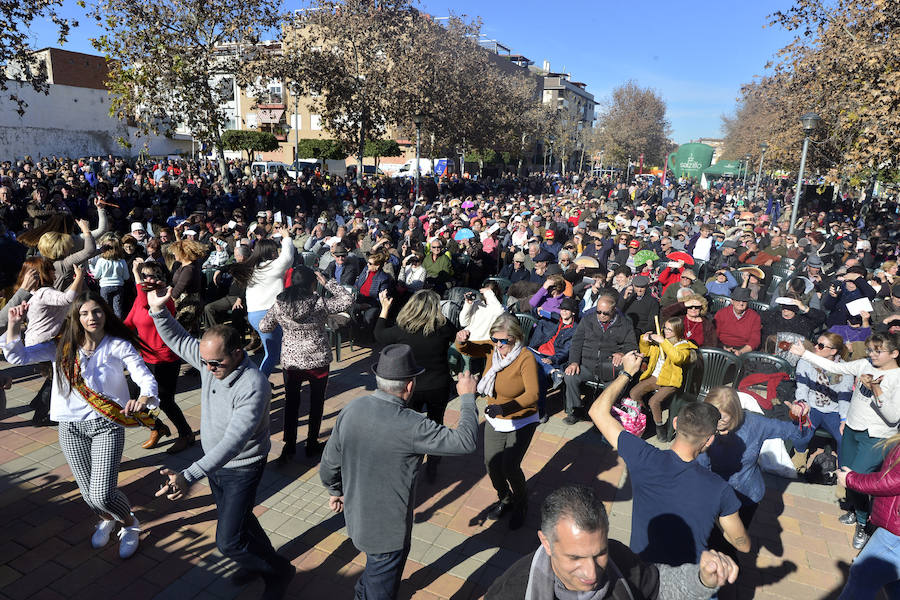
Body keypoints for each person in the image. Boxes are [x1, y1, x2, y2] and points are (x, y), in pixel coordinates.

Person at [148, 286, 295, 598]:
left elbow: (233, 442)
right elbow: (177, 339)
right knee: (241, 519)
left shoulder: (253, 385)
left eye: (216, 363)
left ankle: (279, 571)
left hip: (242, 466)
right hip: (215, 464)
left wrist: (188, 475)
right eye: (205, 362)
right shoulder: (208, 361)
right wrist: (160, 311)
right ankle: (258, 564)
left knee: (228, 541)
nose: (209, 369)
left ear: (238, 353)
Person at [3, 292, 159, 559]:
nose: (91, 318)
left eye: (96, 311)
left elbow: (141, 373)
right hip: (69, 427)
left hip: (106, 425)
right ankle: (110, 518)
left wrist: (145, 396)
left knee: (102, 492)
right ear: (75, 318)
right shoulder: (61, 346)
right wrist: (13, 326)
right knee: (88, 493)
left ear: (105, 313)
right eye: (84, 313)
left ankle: (130, 524)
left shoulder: (117, 345)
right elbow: (18, 358)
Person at [319, 345, 479, 600]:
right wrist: (467, 398)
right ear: (409, 385)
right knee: (382, 585)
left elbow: (329, 464)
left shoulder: (352, 408)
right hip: (388, 533)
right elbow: (465, 442)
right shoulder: (414, 425)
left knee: (375, 571)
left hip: (357, 520)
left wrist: (335, 490)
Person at [588, 352, 750, 566]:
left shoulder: (643, 457)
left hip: (644, 574)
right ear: (709, 440)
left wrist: (627, 372)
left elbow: (597, 411)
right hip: (688, 581)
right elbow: (742, 544)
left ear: (675, 423)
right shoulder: (720, 490)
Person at [485, 484, 739, 600]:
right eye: (575, 557)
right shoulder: (512, 590)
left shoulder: (618, 556)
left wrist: (701, 580)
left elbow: (658, 586)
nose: (592, 572)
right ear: (546, 542)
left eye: (599, 553)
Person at [790, 333, 900, 549]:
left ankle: (863, 523)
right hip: (851, 428)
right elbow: (836, 369)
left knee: (857, 479)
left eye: (878, 351)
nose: (872, 354)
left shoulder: (898, 378)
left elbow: (893, 417)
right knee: (845, 472)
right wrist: (805, 354)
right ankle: (853, 510)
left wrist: (876, 389)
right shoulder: (864, 364)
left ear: (894, 353)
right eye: (870, 350)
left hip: (876, 437)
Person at [260, 265, 353, 462]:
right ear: (312, 283)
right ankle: (312, 443)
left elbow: (264, 326)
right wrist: (328, 282)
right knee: (317, 402)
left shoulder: (280, 303)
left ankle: (290, 445)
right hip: (318, 359)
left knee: (291, 403)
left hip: (292, 362)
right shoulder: (319, 302)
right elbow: (347, 300)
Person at [456, 313, 540, 529]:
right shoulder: (492, 348)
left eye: (504, 340)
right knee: (491, 464)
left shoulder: (525, 358)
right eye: (495, 339)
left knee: (510, 466)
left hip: (521, 418)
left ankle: (521, 504)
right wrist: (461, 339)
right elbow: (467, 350)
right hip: (496, 416)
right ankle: (505, 498)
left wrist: (504, 408)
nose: (499, 344)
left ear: (516, 337)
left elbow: (532, 395)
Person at [699, 387, 805, 553]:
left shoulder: (755, 424)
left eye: (721, 418)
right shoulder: (701, 426)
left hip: (746, 495)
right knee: (710, 541)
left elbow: (795, 433)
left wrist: (799, 417)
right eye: (711, 415)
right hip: (713, 497)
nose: (715, 421)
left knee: (731, 546)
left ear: (734, 412)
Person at [374, 289, 458, 482]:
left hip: (411, 387)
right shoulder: (444, 327)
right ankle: (434, 464)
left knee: (408, 425)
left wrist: (385, 308)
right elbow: (457, 335)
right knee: (436, 423)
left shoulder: (402, 330)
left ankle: (410, 462)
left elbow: (379, 334)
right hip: (438, 385)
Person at [125, 259, 194, 453]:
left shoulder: (164, 299)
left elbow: (145, 303)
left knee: (165, 401)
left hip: (165, 360)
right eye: (145, 275)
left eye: (153, 275)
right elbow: (128, 324)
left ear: (161, 279)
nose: (148, 279)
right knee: (132, 397)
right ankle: (157, 427)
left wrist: (136, 274)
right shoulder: (138, 302)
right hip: (145, 360)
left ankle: (186, 434)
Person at [837, 430, 900, 599]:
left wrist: (851, 479)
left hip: (895, 534)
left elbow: (891, 481)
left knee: (862, 575)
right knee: (893, 584)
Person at [563, 291, 638, 425]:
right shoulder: (588, 320)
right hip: (587, 364)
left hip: (608, 367)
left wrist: (622, 353)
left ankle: (604, 417)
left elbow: (632, 345)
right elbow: (576, 342)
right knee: (570, 376)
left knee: (615, 386)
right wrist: (574, 362)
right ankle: (575, 410)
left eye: (605, 313)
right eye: (599, 312)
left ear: (614, 310)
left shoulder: (625, 324)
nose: (601, 315)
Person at [231, 229, 295, 376]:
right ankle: (260, 385)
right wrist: (286, 237)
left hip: (255, 315)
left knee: (272, 352)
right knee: (274, 355)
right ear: (270, 252)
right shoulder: (271, 267)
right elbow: (288, 257)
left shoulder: (253, 269)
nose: (276, 253)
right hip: (268, 315)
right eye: (274, 250)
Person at [786, 333, 854, 460]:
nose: (816, 347)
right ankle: (799, 458)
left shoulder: (845, 368)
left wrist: (844, 419)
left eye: (821, 346)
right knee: (801, 431)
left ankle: (842, 472)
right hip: (812, 406)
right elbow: (802, 387)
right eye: (816, 343)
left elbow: (844, 396)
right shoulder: (806, 361)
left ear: (833, 351)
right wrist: (802, 404)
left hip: (834, 410)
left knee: (844, 438)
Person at [633, 317, 698, 441]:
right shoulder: (660, 342)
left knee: (654, 401)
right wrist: (644, 340)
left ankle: (659, 427)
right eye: (665, 328)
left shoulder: (683, 346)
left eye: (670, 329)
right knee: (634, 393)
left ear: (677, 330)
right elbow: (645, 352)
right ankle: (648, 418)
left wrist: (663, 341)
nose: (666, 331)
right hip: (655, 377)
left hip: (670, 381)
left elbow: (677, 358)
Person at [713, 287, 761, 355]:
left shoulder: (754, 317)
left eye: (744, 301)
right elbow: (714, 336)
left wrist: (741, 352)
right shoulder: (721, 313)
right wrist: (723, 348)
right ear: (732, 301)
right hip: (722, 347)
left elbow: (755, 340)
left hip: (743, 349)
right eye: (738, 300)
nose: (741, 303)